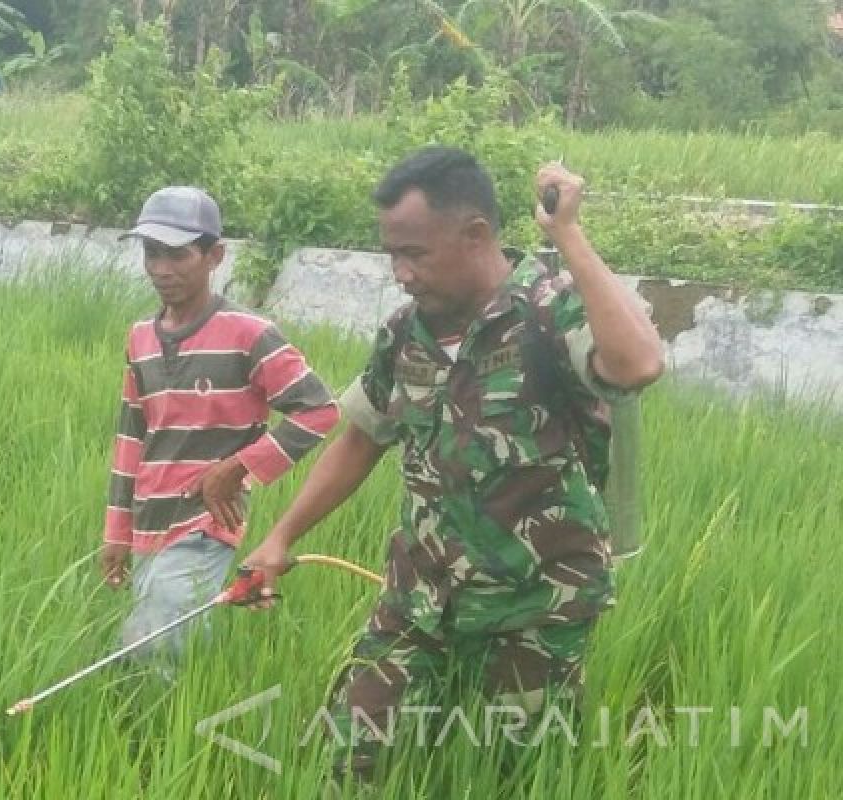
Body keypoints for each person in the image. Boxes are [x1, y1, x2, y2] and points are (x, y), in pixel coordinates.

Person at [241, 147, 665, 783]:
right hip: (420, 598)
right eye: (392, 254)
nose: (401, 273)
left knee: (519, 773)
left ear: (476, 236)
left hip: (536, 602)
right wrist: (280, 537)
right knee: (351, 751)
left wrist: (568, 234)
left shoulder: (548, 311)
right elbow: (362, 436)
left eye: (415, 254)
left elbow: (637, 366)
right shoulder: (404, 332)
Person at [102, 185, 340, 668]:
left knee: (153, 638)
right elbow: (131, 437)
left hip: (205, 521)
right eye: (151, 252)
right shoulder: (141, 337)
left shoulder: (248, 334)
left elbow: (319, 408)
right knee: (165, 637)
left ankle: (153, 730)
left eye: (177, 254)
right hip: (150, 519)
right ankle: (165, 724)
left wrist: (239, 467)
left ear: (215, 255)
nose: (160, 268)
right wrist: (117, 530)